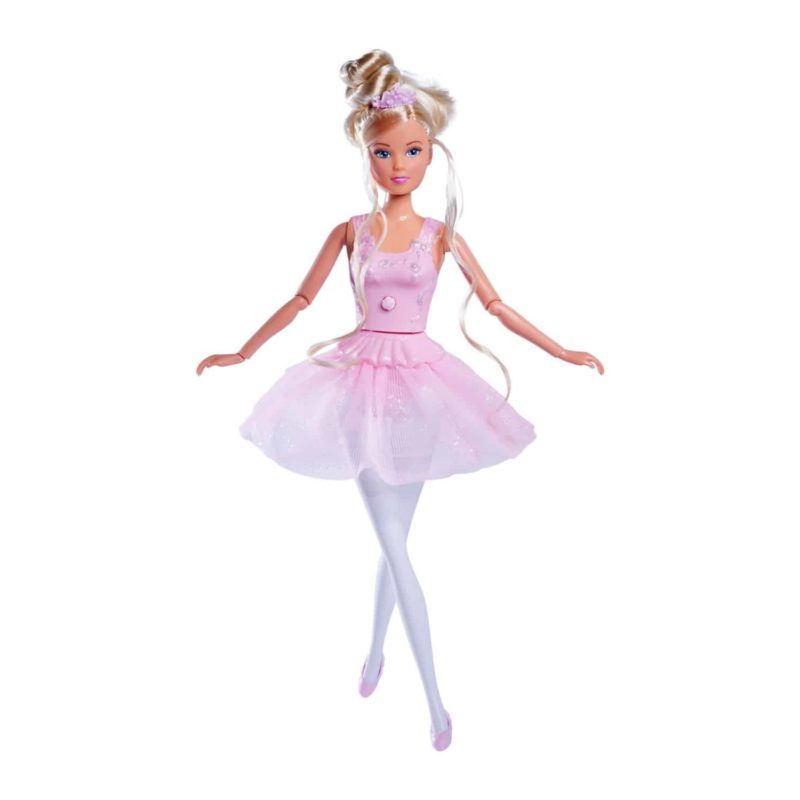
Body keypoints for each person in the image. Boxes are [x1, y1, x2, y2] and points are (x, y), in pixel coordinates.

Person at [197, 49, 604, 751]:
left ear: (431, 154)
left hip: (422, 389)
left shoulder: (442, 237)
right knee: (393, 542)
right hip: (357, 385)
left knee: (396, 541)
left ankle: (374, 655)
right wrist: (243, 350)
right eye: (384, 152)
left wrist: (562, 349)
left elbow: (496, 306)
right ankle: (435, 702)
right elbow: (299, 300)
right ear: (367, 155)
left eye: (412, 151)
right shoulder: (349, 232)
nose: (398, 164)